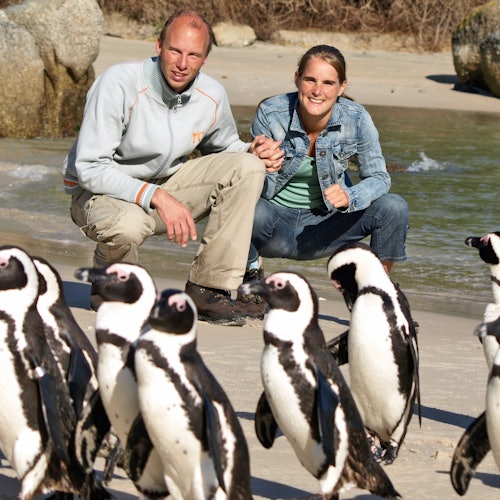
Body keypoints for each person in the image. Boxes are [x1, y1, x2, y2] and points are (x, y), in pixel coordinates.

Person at [62, 10, 283, 326]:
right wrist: (157, 197)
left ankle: (209, 289)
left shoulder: (212, 95)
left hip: (164, 186)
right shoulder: (117, 84)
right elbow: (89, 168)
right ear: (159, 46)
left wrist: (253, 150)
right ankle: (110, 277)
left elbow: (225, 149)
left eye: (193, 55)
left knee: (247, 168)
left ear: (204, 59)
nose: (182, 63)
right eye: (175, 51)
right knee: (128, 226)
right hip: (98, 193)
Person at [236, 44, 409, 317]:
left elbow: (378, 177)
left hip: (325, 226)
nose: (318, 91)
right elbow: (253, 185)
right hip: (273, 226)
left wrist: (350, 196)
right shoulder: (271, 113)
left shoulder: (357, 118)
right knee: (245, 204)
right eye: (310, 80)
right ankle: (251, 276)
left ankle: (377, 295)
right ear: (297, 79)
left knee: (393, 207)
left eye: (328, 83)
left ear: (341, 87)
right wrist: (256, 160)